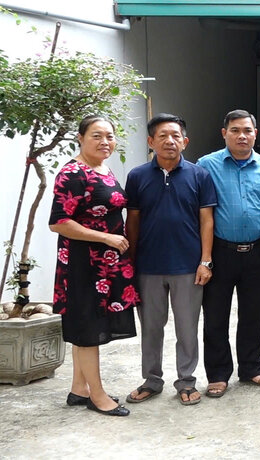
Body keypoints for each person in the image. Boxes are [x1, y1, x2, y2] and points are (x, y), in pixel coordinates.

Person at [124, 114, 217, 406]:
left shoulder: (199, 175)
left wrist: (205, 261)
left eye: (176, 136)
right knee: (151, 328)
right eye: (162, 136)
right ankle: (152, 380)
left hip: (188, 267)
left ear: (185, 141)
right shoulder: (137, 176)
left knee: (187, 329)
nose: (170, 141)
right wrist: (130, 262)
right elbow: (133, 221)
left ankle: (186, 382)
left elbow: (207, 221)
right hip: (148, 267)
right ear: (151, 141)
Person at [49, 115, 139, 416]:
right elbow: (59, 222)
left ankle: (79, 388)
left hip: (105, 263)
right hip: (83, 264)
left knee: (84, 326)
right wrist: (106, 238)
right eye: (97, 136)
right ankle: (98, 396)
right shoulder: (73, 173)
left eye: (110, 136)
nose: (105, 142)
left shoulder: (101, 167)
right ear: (80, 138)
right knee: (87, 328)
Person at [196, 110, 260, 397]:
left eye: (247, 130)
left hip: (257, 251)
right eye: (235, 130)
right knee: (216, 316)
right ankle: (218, 374)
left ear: (256, 133)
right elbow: (201, 213)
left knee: (254, 314)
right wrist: (204, 258)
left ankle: (251, 368)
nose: (242, 135)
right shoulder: (206, 166)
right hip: (221, 252)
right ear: (224, 134)